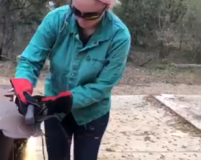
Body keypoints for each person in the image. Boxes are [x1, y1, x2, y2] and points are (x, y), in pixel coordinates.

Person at [9, 0, 131, 160]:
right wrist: (23, 87)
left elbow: (103, 85)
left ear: (106, 8)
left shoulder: (119, 36)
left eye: (90, 15)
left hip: (92, 115)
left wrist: (61, 102)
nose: (80, 20)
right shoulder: (56, 20)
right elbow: (30, 60)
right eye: (76, 11)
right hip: (55, 115)